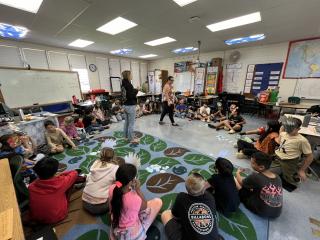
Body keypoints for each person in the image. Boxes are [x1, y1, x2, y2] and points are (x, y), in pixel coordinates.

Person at [161, 173, 223, 240]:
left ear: (186, 187)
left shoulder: (181, 197)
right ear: (203, 186)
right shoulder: (210, 198)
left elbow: (175, 215)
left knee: (165, 214)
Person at [109, 163, 162, 239]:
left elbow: (110, 210)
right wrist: (138, 189)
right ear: (131, 182)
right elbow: (144, 207)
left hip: (115, 228)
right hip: (131, 234)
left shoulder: (111, 188)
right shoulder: (134, 198)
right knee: (158, 202)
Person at [29, 157, 82, 224]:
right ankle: (83, 179)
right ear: (54, 172)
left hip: (37, 218)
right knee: (70, 181)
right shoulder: (60, 183)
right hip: (57, 216)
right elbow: (75, 172)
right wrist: (60, 174)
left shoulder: (31, 186)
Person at [235, 152, 283, 218]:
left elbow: (240, 182)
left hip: (262, 211)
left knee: (236, 180)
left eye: (253, 163)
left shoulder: (255, 176)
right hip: (276, 213)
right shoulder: (277, 177)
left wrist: (238, 173)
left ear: (261, 167)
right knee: (251, 185)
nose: (250, 164)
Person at [271, 117, 313, 189]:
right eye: (287, 128)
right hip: (278, 156)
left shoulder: (302, 140)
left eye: (291, 129)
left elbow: (310, 156)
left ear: (298, 129)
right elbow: (281, 133)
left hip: (289, 161)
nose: (288, 131)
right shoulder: (283, 133)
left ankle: (295, 173)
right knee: (264, 171)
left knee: (289, 181)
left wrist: (302, 170)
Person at [82, 147, 119, 215]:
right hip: (100, 207)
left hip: (84, 202)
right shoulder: (115, 168)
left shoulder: (95, 163)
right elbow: (119, 183)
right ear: (113, 157)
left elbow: (88, 177)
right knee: (118, 187)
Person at [122, 70, 139, 144]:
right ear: (128, 75)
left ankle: (125, 137)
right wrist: (137, 90)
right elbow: (131, 96)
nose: (132, 76)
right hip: (130, 106)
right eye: (131, 74)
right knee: (131, 123)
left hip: (125, 105)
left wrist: (133, 90)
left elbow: (128, 93)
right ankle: (131, 139)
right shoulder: (129, 85)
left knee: (126, 122)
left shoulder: (123, 83)